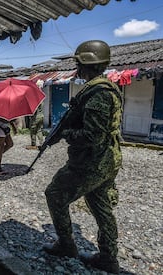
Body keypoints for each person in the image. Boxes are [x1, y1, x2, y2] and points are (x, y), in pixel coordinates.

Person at [42, 40, 122, 274]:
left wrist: (66, 133)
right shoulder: (106, 87)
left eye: (78, 63)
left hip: (92, 162)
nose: (76, 68)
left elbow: (93, 135)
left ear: (85, 64)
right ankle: (108, 258)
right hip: (107, 160)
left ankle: (67, 245)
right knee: (100, 206)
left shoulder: (98, 93)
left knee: (55, 194)